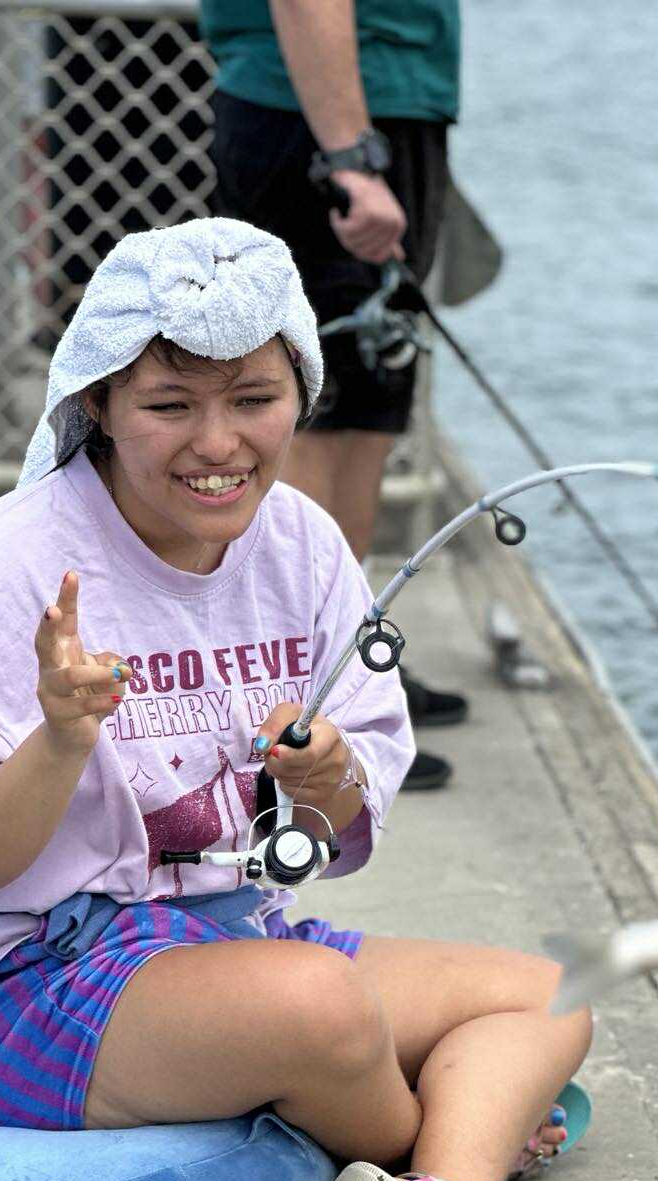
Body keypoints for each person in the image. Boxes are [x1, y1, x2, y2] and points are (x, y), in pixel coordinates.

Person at [0, 220, 591, 1181]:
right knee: (321, 1005)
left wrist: (326, 776)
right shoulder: (8, 564)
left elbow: (333, 825)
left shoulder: (304, 545)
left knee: (553, 991)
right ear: (98, 403)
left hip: (222, 943)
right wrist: (58, 742)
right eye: (169, 404)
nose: (218, 443)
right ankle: (417, 1138)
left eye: (254, 398)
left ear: (300, 392)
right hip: (26, 979)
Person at [205, 0, 466, 792]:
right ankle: (303, 707)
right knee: (312, 408)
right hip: (321, 123)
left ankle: (351, 669)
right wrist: (349, 157)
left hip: (382, 110)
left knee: (370, 394)